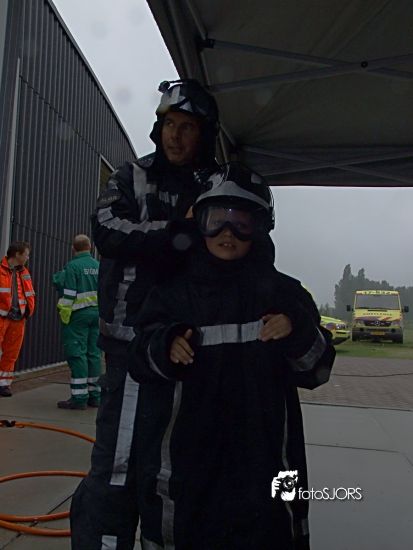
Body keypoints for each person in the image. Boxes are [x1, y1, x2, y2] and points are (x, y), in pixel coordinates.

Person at [129, 163, 336, 550]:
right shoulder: (170, 294)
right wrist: (164, 344)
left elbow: (319, 370)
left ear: (260, 228)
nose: (228, 233)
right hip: (188, 471)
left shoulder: (285, 294)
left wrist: (297, 330)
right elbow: (138, 360)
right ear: (199, 224)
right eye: (216, 220)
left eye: (241, 222)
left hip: (267, 470)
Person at [70, 79, 221, 549]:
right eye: (169, 124)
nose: (175, 135)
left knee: (172, 468)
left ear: (204, 134)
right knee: (117, 467)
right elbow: (107, 229)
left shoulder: (214, 185)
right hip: (129, 349)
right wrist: (177, 234)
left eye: (187, 127)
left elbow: (231, 245)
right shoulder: (130, 176)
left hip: (189, 352)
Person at [52, 234, 101, 410]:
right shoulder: (98, 266)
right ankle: (95, 395)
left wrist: (64, 312)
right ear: (89, 247)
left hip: (78, 315)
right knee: (94, 354)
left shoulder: (72, 266)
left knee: (77, 354)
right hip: (97, 315)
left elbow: (68, 292)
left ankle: (79, 398)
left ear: (73, 248)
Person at [0, 241, 35, 397]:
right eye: (26, 254)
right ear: (17, 254)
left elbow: (29, 293)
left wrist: (28, 311)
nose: (28, 257)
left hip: (18, 319)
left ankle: (4, 384)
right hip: (2, 317)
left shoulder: (24, 271)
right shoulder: (0, 270)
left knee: (11, 353)